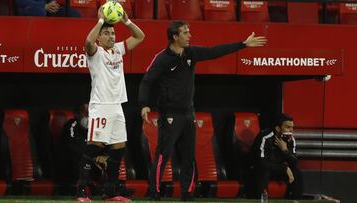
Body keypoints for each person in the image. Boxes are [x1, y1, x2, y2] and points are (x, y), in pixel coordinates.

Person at [138, 20, 267, 201]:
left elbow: (215, 51)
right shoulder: (162, 59)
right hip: (169, 114)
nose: (189, 36)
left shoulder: (192, 53)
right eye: (185, 33)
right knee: (163, 154)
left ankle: (187, 193)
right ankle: (154, 191)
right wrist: (144, 104)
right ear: (175, 37)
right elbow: (147, 82)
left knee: (189, 156)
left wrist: (243, 45)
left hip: (188, 113)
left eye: (189, 32)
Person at [76, 7, 145, 202]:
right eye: (107, 33)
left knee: (118, 148)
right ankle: (81, 191)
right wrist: (99, 22)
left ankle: (111, 192)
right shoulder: (95, 52)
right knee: (94, 147)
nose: (111, 36)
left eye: (113, 33)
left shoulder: (118, 50)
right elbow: (88, 41)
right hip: (101, 105)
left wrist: (126, 21)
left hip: (117, 106)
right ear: (100, 37)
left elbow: (140, 37)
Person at [250, 114, 303, 199]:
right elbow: (261, 162)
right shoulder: (264, 137)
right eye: (288, 127)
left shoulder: (291, 139)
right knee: (264, 170)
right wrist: (284, 168)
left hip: (277, 171)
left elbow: (294, 162)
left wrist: (285, 150)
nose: (291, 130)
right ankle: (263, 199)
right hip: (259, 171)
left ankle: (295, 200)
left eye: (292, 127)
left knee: (297, 172)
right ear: (278, 128)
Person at [59, 103, 108, 195]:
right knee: (77, 159)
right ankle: (85, 188)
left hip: (94, 166)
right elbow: (74, 147)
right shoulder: (72, 125)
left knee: (110, 160)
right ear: (77, 114)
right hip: (73, 168)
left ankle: (112, 189)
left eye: (90, 112)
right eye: (85, 113)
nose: (88, 116)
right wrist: (93, 159)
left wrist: (103, 157)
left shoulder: (97, 128)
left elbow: (105, 145)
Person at [14, 0, 81, 17]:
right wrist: (44, 7)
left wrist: (53, 4)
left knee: (74, 14)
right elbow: (21, 2)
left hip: (46, 8)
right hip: (30, 9)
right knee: (41, 13)